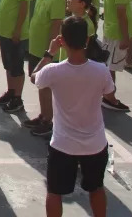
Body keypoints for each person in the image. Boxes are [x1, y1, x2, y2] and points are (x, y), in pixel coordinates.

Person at [31, 17, 115, 217]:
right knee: (96, 188)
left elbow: (35, 76)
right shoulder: (100, 70)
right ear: (87, 40)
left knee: (54, 192)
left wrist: (50, 52)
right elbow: (110, 95)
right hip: (95, 144)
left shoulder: (53, 71)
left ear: (63, 41)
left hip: (63, 144)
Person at [24, 0, 66, 135]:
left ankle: (48, 121)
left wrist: (50, 53)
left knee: (46, 84)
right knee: (39, 83)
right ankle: (43, 115)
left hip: (46, 52)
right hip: (35, 48)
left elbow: (56, 26)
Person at [101, 0, 132, 112]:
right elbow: (122, 14)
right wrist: (126, 37)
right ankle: (109, 97)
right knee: (112, 67)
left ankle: (108, 94)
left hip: (109, 29)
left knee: (109, 64)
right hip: (117, 33)